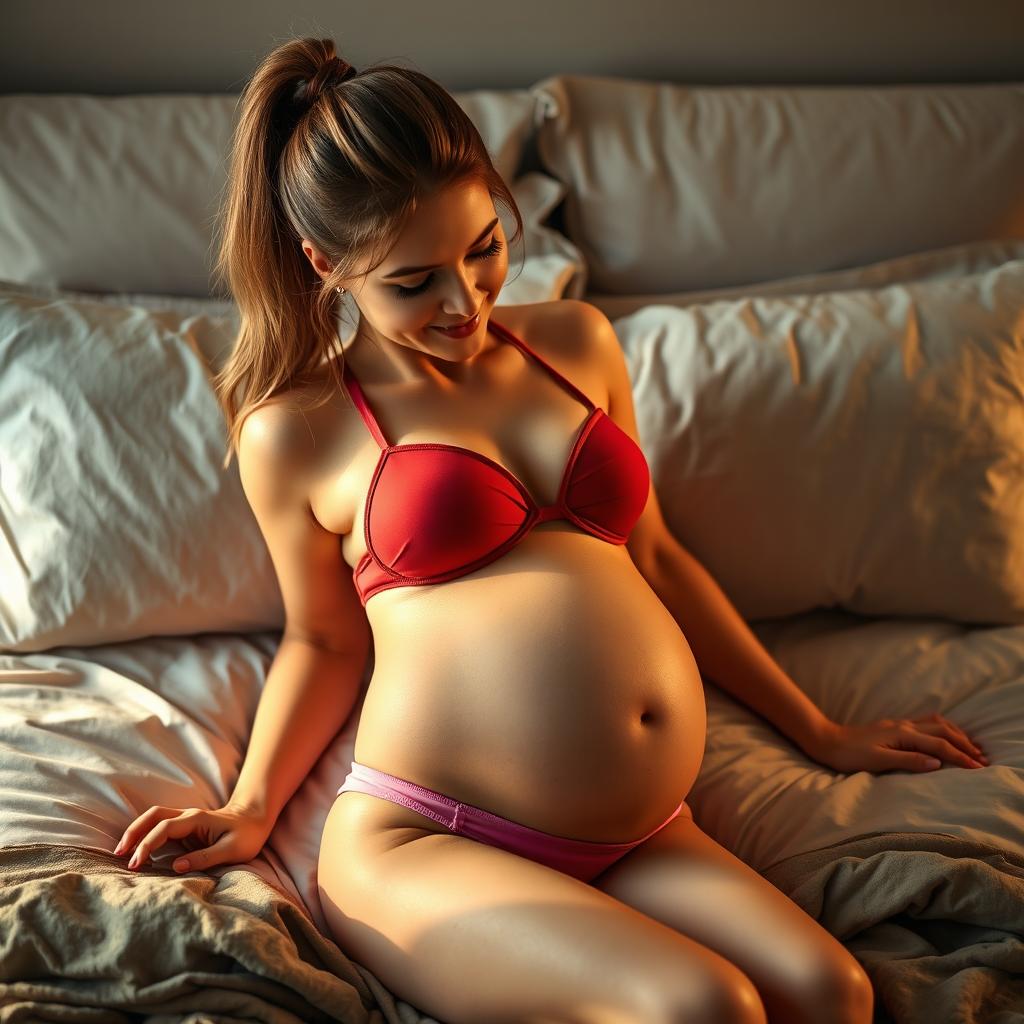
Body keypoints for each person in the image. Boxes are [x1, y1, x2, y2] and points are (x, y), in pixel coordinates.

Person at [118, 34, 981, 1024]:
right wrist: (250, 806)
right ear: (325, 264)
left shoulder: (576, 343)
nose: (464, 301)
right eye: (413, 282)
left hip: (644, 830)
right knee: (704, 1007)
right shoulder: (297, 429)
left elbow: (654, 556)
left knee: (835, 993)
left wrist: (822, 731)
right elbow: (321, 637)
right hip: (429, 837)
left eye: (484, 248)